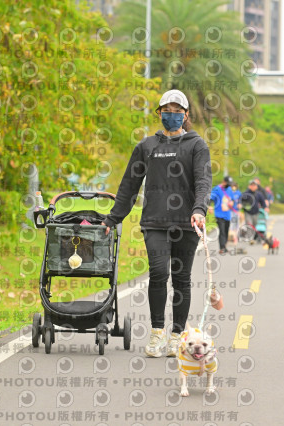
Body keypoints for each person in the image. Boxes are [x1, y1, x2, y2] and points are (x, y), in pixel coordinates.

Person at [101, 89, 212, 358]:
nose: (171, 115)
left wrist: (199, 209)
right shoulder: (147, 146)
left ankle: (177, 336)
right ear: (159, 113)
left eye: (177, 111)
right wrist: (113, 218)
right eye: (167, 111)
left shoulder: (197, 145)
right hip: (155, 222)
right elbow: (129, 185)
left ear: (186, 115)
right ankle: (157, 332)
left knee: (181, 278)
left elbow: (203, 181)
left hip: (187, 223)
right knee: (159, 273)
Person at [210, 176, 235, 254]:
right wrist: (210, 206)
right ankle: (222, 248)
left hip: (227, 215)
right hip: (219, 214)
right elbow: (210, 198)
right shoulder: (217, 189)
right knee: (222, 231)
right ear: (224, 182)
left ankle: (224, 246)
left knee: (226, 230)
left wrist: (232, 202)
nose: (229, 185)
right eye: (228, 183)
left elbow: (232, 199)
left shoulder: (229, 189)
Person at [240, 180, 267, 244]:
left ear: (257, 187)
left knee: (255, 225)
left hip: (256, 212)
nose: (253, 187)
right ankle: (250, 238)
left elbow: (263, 202)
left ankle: (254, 237)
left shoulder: (259, 194)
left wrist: (265, 207)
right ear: (249, 186)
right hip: (248, 212)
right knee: (249, 224)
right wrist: (241, 206)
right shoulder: (246, 193)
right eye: (251, 185)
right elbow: (240, 201)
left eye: (254, 185)